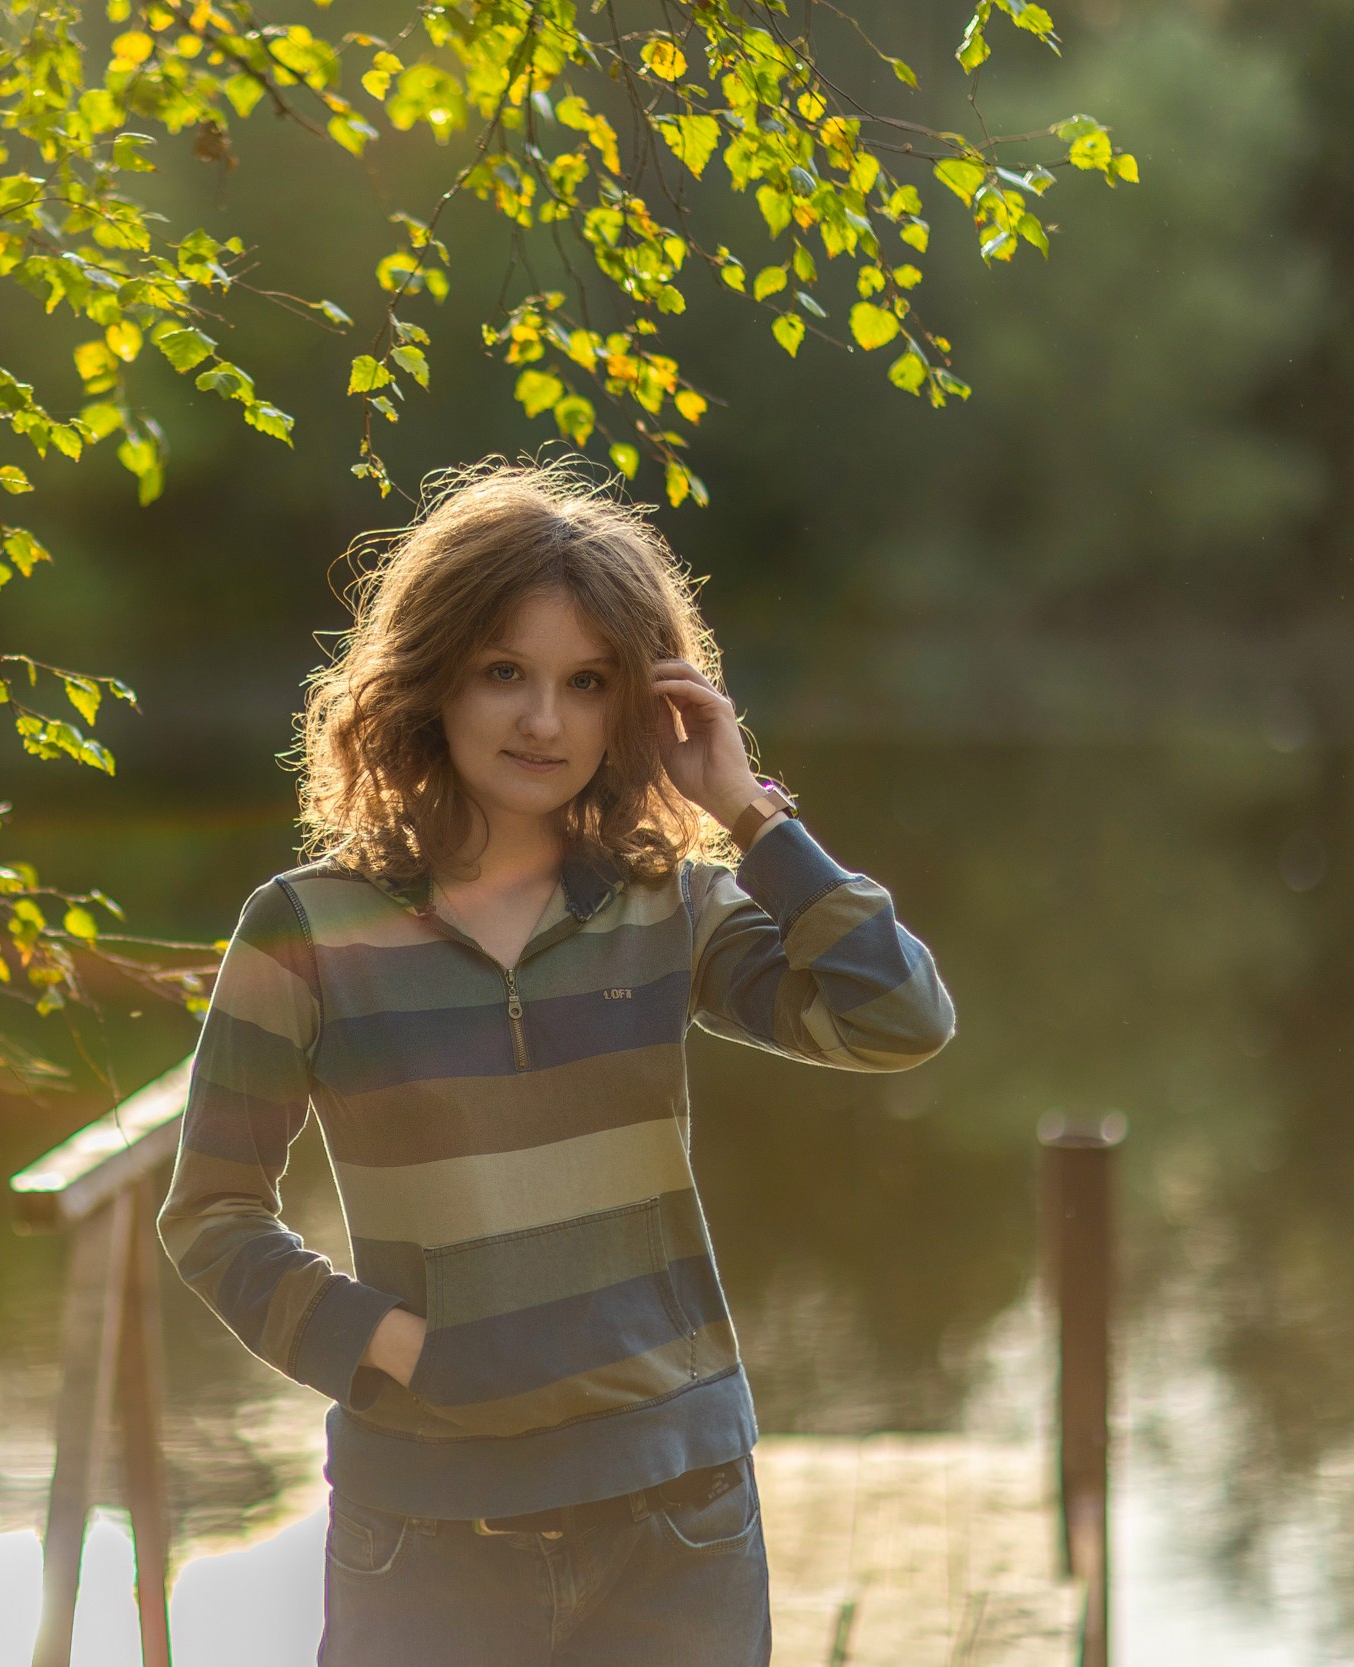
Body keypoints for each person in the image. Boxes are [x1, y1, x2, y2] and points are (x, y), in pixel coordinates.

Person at [155, 459, 957, 1666]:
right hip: (425, 1536)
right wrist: (392, 1345)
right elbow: (211, 1209)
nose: (543, 720)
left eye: (586, 684)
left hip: (676, 1521)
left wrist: (749, 813)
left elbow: (899, 1015)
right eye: (504, 674)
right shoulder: (307, 926)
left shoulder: (670, 907)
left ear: (634, 707)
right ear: (432, 680)